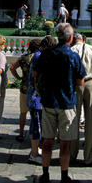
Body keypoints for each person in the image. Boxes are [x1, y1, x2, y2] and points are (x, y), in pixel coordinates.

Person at [34, 23, 86, 183]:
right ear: (70, 38)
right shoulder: (73, 56)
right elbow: (80, 81)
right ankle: (64, 179)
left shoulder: (46, 54)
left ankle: (45, 175)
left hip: (48, 102)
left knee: (47, 141)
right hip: (66, 103)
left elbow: (36, 73)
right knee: (65, 144)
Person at [70, 33, 92, 165]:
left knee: (74, 118)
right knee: (91, 121)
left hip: (75, 84)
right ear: (84, 39)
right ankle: (88, 157)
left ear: (73, 40)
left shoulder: (71, 50)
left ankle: (72, 155)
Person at [28, 35, 57, 165]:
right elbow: (37, 75)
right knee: (36, 126)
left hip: (36, 96)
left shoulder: (39, 55)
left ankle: (35, 150)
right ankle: (34, 153)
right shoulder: (40, 56)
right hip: (36, 97)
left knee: (36, 124)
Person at [10, 39, 42, 142]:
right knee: (38, 112)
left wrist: (18, 77)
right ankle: (38, 134)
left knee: (23, 112)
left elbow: (12, 68)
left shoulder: (23, 58)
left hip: (25, 87)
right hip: (38, 88)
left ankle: (21, 133)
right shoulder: (40, 57)